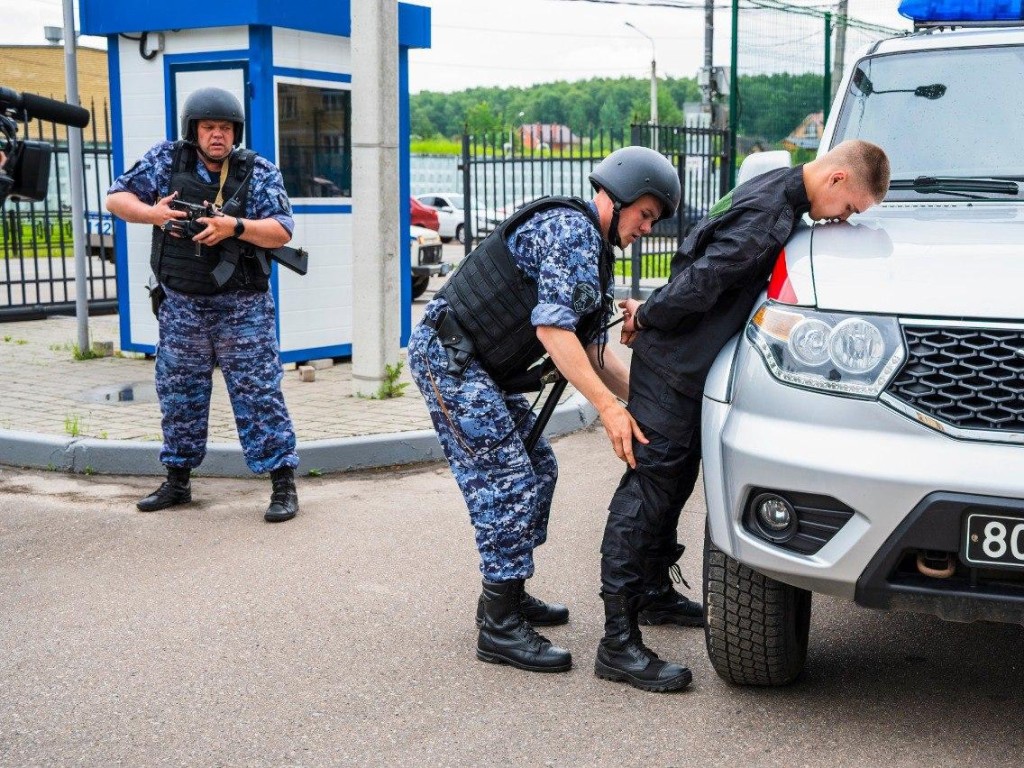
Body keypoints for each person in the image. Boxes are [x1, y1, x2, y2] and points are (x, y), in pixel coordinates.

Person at [598, 139, 891, 693]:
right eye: (850, 208)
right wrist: (651, 313)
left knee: (676, 480)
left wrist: (654, 311)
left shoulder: (771, 187)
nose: (844, 220)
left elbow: (696, 258)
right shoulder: (768, 217)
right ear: (834, 181)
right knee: (650, 486)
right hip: (675, 362)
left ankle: (652, 593)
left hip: (684, 358)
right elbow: (703, 280)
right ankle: (617, 640)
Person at [408, 146, 681, 673]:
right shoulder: (571, 232)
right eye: (645, 214)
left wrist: (643, 405)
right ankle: (499, 626)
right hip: (450, 359)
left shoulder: (591, 249)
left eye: (653, 220)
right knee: (508, 479)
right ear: (620, 196)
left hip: (478, 365)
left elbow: (594, 353)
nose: (647, 228)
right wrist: (607, 408)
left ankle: (510, 589)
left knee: (539, 466)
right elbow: (554, 332)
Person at [106, 87, 300, 523]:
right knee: (178, 395)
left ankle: (283, 484)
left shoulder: (258, 171)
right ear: (194, 129)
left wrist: (234, 226)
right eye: (209, 127)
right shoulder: (166, 160)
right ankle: (177, 482)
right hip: (182, 308)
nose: (218, 135)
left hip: (242, 309)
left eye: (225, 128)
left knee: (259, 395)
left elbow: (282, 230)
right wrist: (153, 214)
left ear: (236, 132)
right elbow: (116, 198)